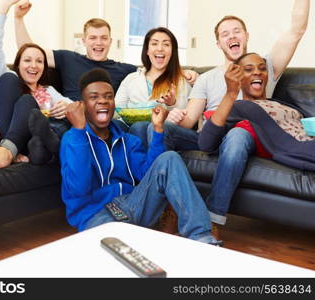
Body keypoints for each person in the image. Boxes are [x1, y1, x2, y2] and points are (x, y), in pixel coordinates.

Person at [147, 0, 310, 239]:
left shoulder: (262, 67)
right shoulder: (207, 78)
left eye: (236, 31)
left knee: (237, 135)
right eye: (225, 34)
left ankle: (213, 218)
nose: (231, 36)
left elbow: (296, 29)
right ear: (218, 43)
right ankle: (167, 204)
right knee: (156, 129)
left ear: (246, 36)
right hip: (209, 134)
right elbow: (190, 121)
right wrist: (171, 113)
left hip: (248, 135)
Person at [60, 68, 221, 245]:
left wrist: (158, 130)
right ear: (82, 105)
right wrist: (78, 132)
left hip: (133, 204)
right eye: (93, 97)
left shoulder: (127, 140)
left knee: (169, 158)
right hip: (96, 215)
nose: (103, 102)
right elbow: (79, 190)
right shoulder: (73, 139)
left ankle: (202, 237)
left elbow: (148, 175)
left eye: (108, 96)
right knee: (124, 258)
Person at [199, 53, 315, 224]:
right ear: (238, 77)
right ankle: (213, 217)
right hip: (282, 145)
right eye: (248, 69)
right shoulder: (240, 107)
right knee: (238, 134)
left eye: (262, 68)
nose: (257, 72)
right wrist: (231, 93)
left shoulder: (282, 103)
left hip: (307, 141)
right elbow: (206, 143)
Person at [13, 0, 198, 102]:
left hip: (103, 121)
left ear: (110, 41)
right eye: (93, 38)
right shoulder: (67, 58)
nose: (98, 43)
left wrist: (184, 72)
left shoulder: (124, 70)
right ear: (84, 41)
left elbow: (155, 66)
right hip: (70, 117)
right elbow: (30, 54)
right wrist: (19, 19)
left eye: (103, 38)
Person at [0, 0, 72, 168]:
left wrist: (66, 108)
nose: (34, 66)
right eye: (27, 60)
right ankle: (7, 148)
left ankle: (12, 150)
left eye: (39, 61)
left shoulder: (48, 90)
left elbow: (75, 107)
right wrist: (3, 7)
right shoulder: (7, 77)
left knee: (28, 102)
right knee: (13, 85)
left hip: (29, 144)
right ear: (18, 64)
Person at [115, 27, 192, 148]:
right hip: (128, 128)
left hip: (160, 131)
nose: (160, 48)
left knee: (140, 126)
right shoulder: (131, 79)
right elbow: (117, 109)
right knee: (113, 125)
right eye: (154, 43)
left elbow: (186, 118)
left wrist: (172, 103)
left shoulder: (182, 80)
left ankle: (143, 165)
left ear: (173, 51)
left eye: (166, 44)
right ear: (147, 50)